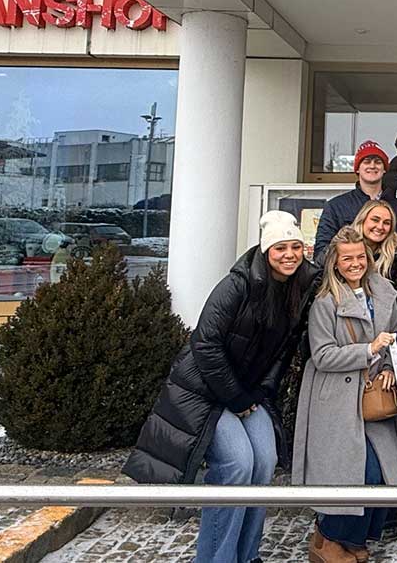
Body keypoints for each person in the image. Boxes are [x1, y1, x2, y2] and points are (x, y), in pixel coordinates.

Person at [124, 211, 320, 563]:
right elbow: (206, 344)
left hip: (247, 393)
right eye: (280, 248)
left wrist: (263, 391)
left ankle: (247, 556)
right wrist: (236, 396)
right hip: (205, 393)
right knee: (237, 465)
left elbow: (284, 347)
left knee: (265, 461)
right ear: (265, 250)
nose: (289, 254)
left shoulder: (299, 286)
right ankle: (217, 559)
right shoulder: (238, 284)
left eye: (295, 246)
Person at [293, 226, 397, 561]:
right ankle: (333, 541)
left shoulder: (384, 293)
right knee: (351, 470)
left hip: (372, 394)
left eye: (361, 256)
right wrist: (368, 349)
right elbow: (322, 355)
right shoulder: (325, 303)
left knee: (380, 471)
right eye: (348, 258)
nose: (355, 263)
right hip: (335, 398)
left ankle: (349, 540)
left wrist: (389, 365)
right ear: (335, 262)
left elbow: (395, 336)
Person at [315, 140, 397, 265]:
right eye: (366, 161)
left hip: (389, 278)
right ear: (358, 169)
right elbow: (321, 252)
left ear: (385, 169)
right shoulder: (335, 206)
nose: (372, 166)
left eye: (378, 162)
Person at [352, 200, 397, 295]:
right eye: (375, 220)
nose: (380, 227)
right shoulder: (340, 247)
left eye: (386, 223)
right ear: (362, 220)